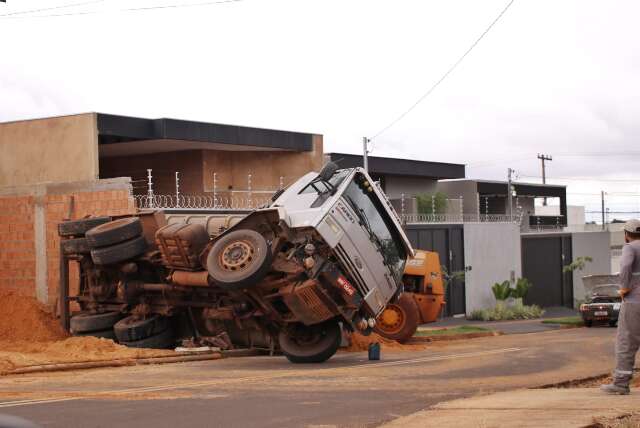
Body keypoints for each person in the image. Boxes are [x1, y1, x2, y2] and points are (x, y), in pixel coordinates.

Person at [601, 219, 640, 395]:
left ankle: (621, 384)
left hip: (634, 302)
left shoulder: (630, 247)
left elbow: (625, 266)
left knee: (626, 341)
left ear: (626, 234)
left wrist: (624, 287)